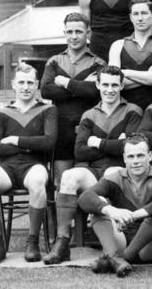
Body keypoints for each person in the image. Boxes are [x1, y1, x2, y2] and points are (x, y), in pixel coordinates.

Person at [43, 66, 142, 264]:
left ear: (122, 85)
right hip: (94, 170)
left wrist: (96, 142)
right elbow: (79, 151)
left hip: (120, 171)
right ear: (97, 85)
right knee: (69, 177)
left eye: (115, 85)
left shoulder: (133, 111)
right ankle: (62, 243)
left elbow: (128, 148)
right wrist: (114, 143)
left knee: (113, 173)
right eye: (105, 84)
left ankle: (112, 250)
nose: (110, 89)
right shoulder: (89, 114)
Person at [0, 63, 56, 264]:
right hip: (8, 168)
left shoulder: (48, 110)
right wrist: (30, 145)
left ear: (37, 84)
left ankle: (32, 242)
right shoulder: (2, 112)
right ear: (13, 84)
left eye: (30, 82)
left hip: (34, 166)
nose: (25, 87)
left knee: (39, 181)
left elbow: (48, 143)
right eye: (21, 82)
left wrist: (15, 140)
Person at [78, 133, 152, 277]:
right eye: (131, 156)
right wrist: (111, 211)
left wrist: (136, 215)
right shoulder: (115, 177)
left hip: (148, 249)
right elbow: (85, 197)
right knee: (97, 206)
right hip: (122, 239)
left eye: (140, 155)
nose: (135, 161)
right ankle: (114, 256)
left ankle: (119, 258)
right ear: (124, 158)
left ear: (150, 156)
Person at [41, 13, 106, 183]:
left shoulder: (98, 63)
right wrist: (80, 86)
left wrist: (65, 83)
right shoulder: (54, 61)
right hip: (60, 127)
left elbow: (94, 91)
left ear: (88, 34)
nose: (74, 36)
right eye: (69, 32)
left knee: (84, 182)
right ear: (65, 33)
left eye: (79, 31)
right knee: (61, 183)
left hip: (87, 126)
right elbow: (46, 91)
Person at [108, 0, 152, 110]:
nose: (140, 18)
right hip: (125, 110)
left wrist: (125, 72)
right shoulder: (118, 45)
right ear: (131, 18)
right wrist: (149, 76)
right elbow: (113, 81)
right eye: (136, 14)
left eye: (144, 13)